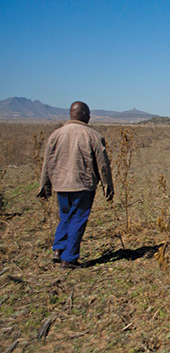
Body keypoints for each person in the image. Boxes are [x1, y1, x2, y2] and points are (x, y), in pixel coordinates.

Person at [37, 101, 114, 268]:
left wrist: (45, 186)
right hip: (83, 185)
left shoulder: (56, 134)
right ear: (85, 115)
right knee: (77, 219)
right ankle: (69, 258)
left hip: (60, 185)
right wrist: (108, 186)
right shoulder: (93, 135)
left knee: (66, 216)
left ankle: (58, 249)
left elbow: (47, 163)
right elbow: (103, 165)